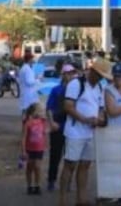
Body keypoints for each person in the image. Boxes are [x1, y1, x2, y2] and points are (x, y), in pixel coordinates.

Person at [59, 58, 112, 206]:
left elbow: (100, 108)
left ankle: (81, 199)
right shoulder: (76, 84)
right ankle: (62, 200)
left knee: (85, 166)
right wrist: (85, 119)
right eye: (100, 75)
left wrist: (100, 118)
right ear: (93, 71)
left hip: (90, 132)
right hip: (75, 131)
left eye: (103, 77)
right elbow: (68, 106)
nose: (101, 79)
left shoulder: (99, 87)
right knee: (70, 165)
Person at [45, 61, 75, 192]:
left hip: (71, 127)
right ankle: (51, 180)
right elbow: (49, 108)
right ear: (63, 75)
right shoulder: (56, 90)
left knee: (70, 157)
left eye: (71, 73)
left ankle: (68, 182)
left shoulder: (76, 90)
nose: (69, 76)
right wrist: (51, 123)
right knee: (55, 156)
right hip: (57, 125)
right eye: (67, 74)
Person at [21, 102, 48, 195]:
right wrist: (23, 150)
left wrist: (46, 145)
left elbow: (44, 133)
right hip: (29, 149)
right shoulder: (28, 123)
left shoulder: (43, 121)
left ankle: (37, 185)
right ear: (34, 112)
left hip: (39, 149)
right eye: (40, 111)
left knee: (37, 167)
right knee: (29, 167)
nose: (42, 112)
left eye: (43, 111)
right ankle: (29, 185)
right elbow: (24, 137)